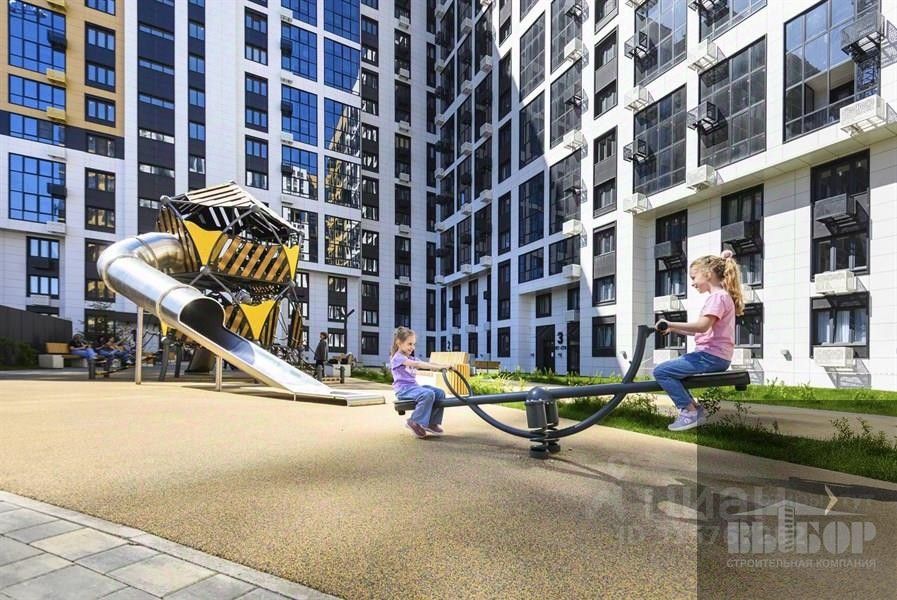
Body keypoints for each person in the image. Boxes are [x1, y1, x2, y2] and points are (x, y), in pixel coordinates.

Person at [653, 250, 744, 432]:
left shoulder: (717, 297)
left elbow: (701, 326)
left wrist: (670, 322)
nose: (692, 283)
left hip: (710, 356)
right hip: (715, 356)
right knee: (671, 371)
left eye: (694, 277)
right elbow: (704, 331)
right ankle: (695, 409)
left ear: (708, 274)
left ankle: (689, 412)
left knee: (661, 371)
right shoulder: (721, 297)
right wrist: (673, 329)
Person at [390, 327, 452, 439]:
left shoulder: (411, 358)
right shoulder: (397, 358)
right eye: (409, 344)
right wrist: (439, 368)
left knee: (440, 393)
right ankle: (414, 421)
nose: (412, 347)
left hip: (413, 387)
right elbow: (418, 365)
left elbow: (428, 363)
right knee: (427, 394)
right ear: (399, 343)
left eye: (414, 344)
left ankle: (431, 423)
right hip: (403, 390)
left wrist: (444, 366)